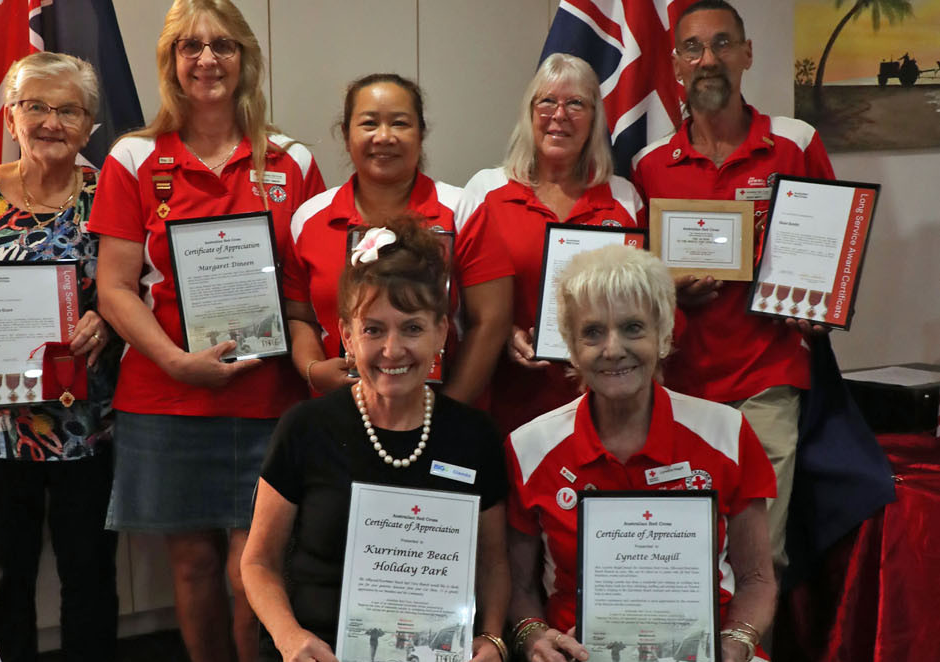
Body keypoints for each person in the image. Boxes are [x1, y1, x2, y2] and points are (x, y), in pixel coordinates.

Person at [89, 1, 324, 660]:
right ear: (169, 62)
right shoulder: (133, 157)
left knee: (253, 572)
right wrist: (175, 361)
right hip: (168, 397)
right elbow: (114, 287)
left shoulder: (293, 160)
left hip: (270, 399)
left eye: (222, 44)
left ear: (244, 57)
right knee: (191, 569)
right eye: (189, 47)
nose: (206, 59)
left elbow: (308, 285)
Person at [242, 217, 510, 662]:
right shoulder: (305, 428)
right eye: (373, 330)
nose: (392, 350)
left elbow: (495, 563)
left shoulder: (474, 435)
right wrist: (290, 638)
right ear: (346, 334)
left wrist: (495, 638)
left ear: (441, 333)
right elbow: (257, 562)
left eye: (412, 328)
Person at [630, 0, 835, 571]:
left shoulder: (794, 143)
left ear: (747, 54)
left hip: (766, 378)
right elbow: (637, 276)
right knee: (679, 555)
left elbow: (830, 249)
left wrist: (820, 307)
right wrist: (669, 291)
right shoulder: (649, 165)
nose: (708, 59)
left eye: (723, 44)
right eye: (693, 48)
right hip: (678, 383)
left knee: (758, 554)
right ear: (675, 66)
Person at [505, 245, 777, 662]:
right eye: (593, 332)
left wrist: (737, 642)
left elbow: (757, 578)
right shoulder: (529, 447)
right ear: (571, 345)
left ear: (663, 336)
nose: (613, 349)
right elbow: (520, 588)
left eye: (633, 328)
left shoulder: (727, 432)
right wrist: (533, 635)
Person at [0, 52, 118, 662]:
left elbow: (138, 290)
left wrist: (108, 317)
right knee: (0, 577)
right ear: (11, 117)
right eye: (35, 106)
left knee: (90, 571)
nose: (51, 121)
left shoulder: (109, 194)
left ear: (91, 123)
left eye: (67, 109)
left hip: (84, 418)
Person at [287, 73, 513, 404]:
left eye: (400, 123)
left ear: (421, 134)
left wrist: (448, 410)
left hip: (442, 413)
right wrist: (312, 370)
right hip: (340, 414)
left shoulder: (463, 210)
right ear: (346, 133)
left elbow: (491, 321)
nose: (384, 136)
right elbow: (299, 316)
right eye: (368, 123)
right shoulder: (310, 218)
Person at [464, 53, 644, 435]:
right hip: (507, 401)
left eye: (576, 103)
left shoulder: (624, 197)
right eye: (547, 101)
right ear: (529, 112)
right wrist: (502, 331)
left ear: (595, 117)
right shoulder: (485, 191)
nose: (559, 115)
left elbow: (644, 297)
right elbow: (452, 298)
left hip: (605, 406)